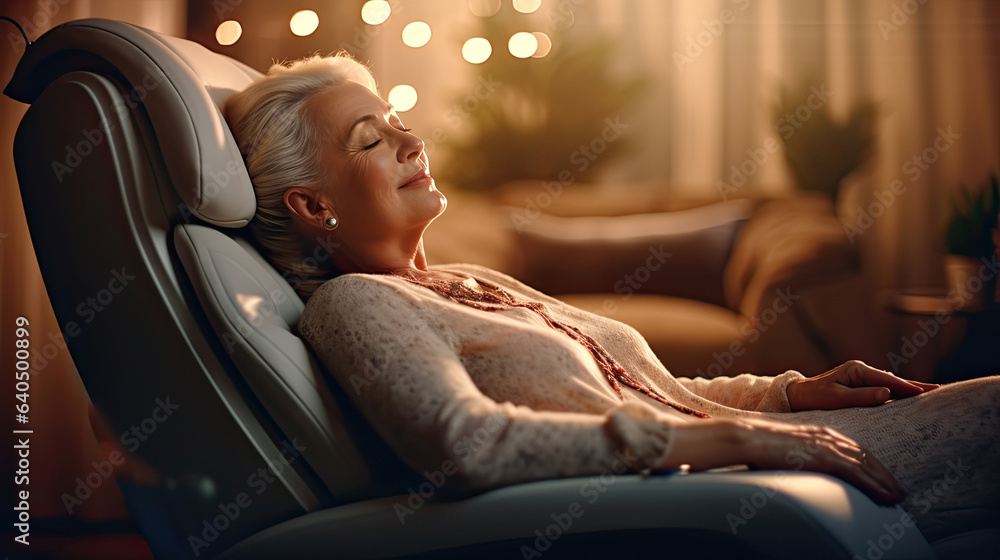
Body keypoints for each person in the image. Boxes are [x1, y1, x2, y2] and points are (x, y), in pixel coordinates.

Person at [223, 52, 999, 546]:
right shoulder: (357, 304)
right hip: (740, 487)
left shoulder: (468, 282)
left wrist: (787, 395)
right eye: (371, 138)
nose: (411, 141)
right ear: (313, 207)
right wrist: (744, 444)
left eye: (398, 123)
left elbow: (649, 395)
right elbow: (468, 445)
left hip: (768, 458)